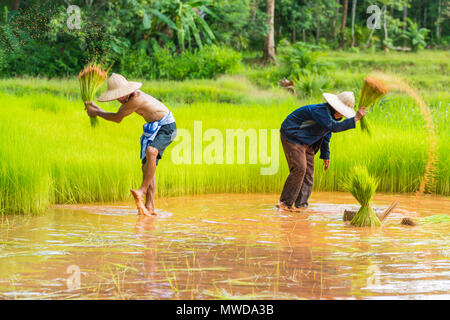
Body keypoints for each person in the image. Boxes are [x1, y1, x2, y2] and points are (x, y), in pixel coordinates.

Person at [85, 73, 177, 216]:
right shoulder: (129, 100)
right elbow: (117, 114)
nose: (119, 99)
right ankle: (150, 207)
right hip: (154, 129)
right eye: (117, 96)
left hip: (167, 127)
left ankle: (142, 191)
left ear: (127, 91)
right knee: (146, 167)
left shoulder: (136, 99)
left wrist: (97, 113)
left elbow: (117, 118)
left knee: (152, 151)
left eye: (120, 95)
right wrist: (96, 110)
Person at [278, 91, 367, 211]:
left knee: (308, 174)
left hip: (308, 141)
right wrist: (356, 118)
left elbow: (326, 134)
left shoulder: (334, 117)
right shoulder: (320, 111)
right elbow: (333, 127)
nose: (341, 115)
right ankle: (284, 204)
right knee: (300, 168)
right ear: (334, 107)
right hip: (293, 136)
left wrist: (325, 155)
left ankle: (302, 205)